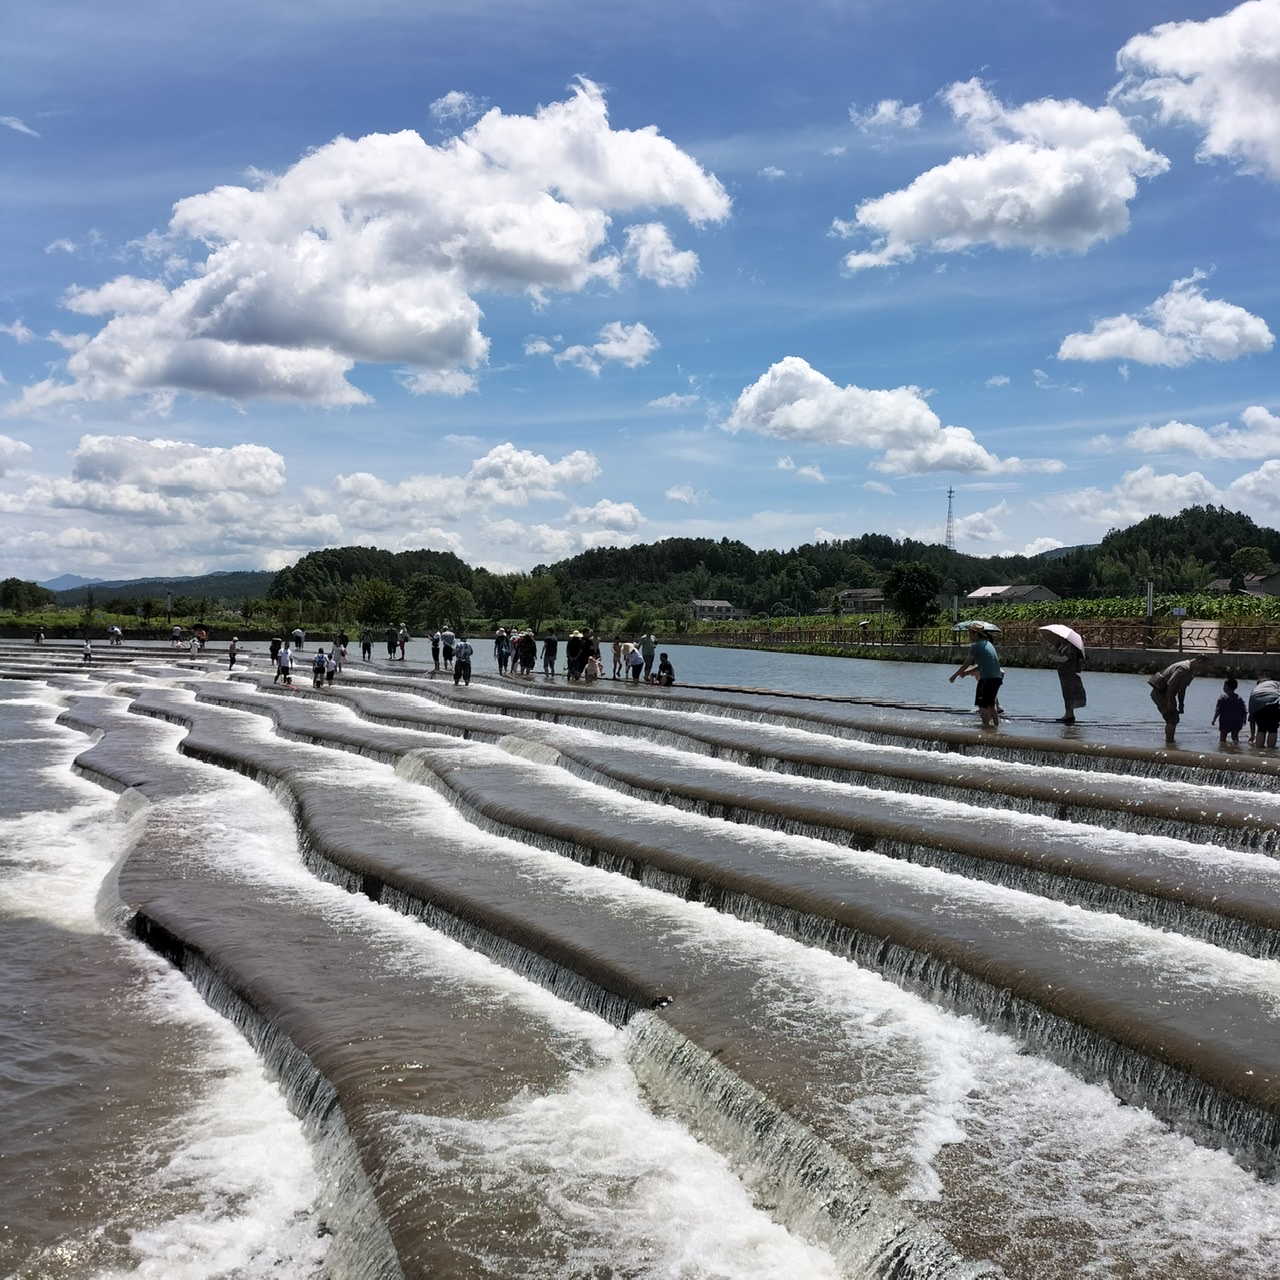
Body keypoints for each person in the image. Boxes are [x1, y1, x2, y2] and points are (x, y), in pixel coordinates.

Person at [1147, 655, 1213, 744]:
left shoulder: (1191, 672)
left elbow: (1182, 688)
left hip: (1168, 693)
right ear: (1199, 662)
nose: (1206, 669)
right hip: (1161, 693)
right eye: (1205, 666)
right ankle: (1169, 743)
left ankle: (1169, 742)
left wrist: (1181, 703)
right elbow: (1171, 683)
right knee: (1172, 718)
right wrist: (1170, 702)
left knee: (1173, 718)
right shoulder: (1183, 668)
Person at [949, 622, 1003, 728]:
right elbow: (982, 665)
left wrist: (955, 675)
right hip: (997, 678)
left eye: (969, 632)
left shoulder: (976, 645)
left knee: (982, 704)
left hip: (987, 679)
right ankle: (996, 727)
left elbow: (967, 663)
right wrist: (967, 672)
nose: (969, 635)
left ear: (974, 633)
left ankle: (986, 727)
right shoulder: (988, 643)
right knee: (991, 704)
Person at [1047, 638, 1086, 724]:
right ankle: (1067, 713)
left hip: (1070, 673)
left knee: (1070, 693)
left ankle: (1070, 714)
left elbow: (1064, 659)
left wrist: (1053, 657)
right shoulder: (1062, 646)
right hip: (1063, 673)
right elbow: (1053, 651)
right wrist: (1054, 648)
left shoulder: (1072, 648)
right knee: (1065, 693)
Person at [1212, 677, 1247, 745]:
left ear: (1226, 686)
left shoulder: (1222, 697)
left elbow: (1218, 710)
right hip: (1237, 721)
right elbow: (1244, 710)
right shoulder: (1239, 698)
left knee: (1223, 736)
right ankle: (1236, 747)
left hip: (1225, 721)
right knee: (1235, 737)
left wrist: (1214, 719)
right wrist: (1244, 720)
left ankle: (1222, 747)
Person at [1248, 676, 1280, 748]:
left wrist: (1252, 735)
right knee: (1273, 728)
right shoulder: (1275, 683)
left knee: (1261, 728)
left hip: (1257, 702)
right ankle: (1271, 750)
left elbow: (1252, 716)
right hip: (1274, 701)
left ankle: (1259, 749)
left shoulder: (1255, 690)